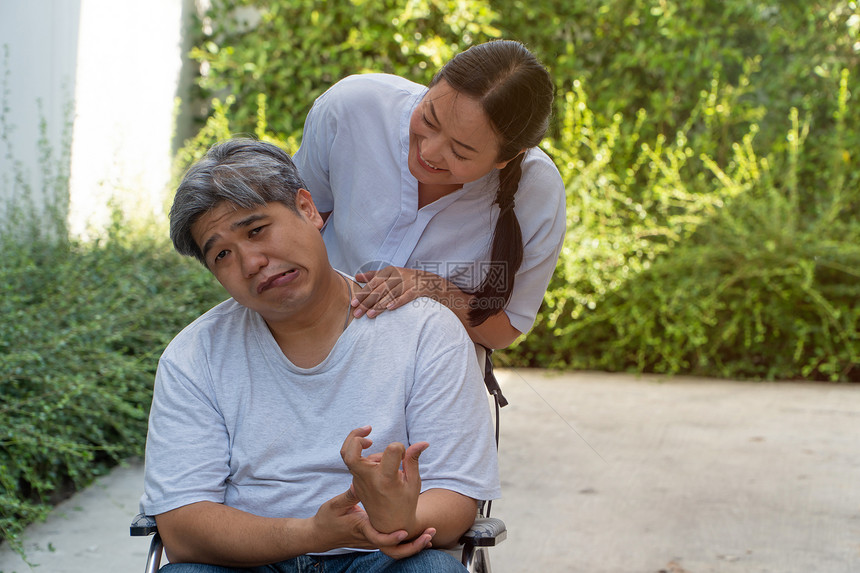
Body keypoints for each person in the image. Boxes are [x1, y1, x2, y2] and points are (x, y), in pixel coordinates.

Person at [139, 138, 501, 572]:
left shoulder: (425, 331)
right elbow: (182, 527)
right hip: (248, 561)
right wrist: (312, 533)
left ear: (308, 210)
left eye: (256, 230)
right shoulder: (193, 357)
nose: (251, 261)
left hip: (381, 556)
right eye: (222, 254)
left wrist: (396, 518)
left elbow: (455, 500)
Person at [293, 39, 566, 351]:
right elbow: (294, 227)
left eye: (460, 153)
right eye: (429, 119)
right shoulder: (352, 108)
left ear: (506, 158)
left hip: (430, 381)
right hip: (308, 349)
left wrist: (433, 288)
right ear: (433, 83)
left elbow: (503, 331)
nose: (428, 151)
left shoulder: (538, 192)